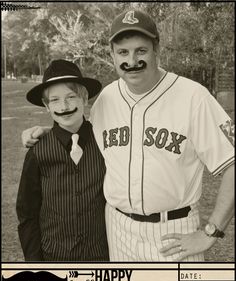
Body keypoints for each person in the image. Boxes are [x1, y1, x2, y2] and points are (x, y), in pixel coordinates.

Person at [22, 10, 234, 262]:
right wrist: (51, 133)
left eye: (140, 50)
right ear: (112, 55)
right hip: (117, 231)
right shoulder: (106, 99)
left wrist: (211, 231)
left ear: (156, 50)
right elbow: (86, 132)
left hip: (172, 234)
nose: (131, 60)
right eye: (123, 52)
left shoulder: (193, 97)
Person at [16, 59, 109, 261]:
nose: (64, 106)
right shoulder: (38, 152)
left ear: (84, 99)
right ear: (46, 106)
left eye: (71, 97)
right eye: (55, 100)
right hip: (54, 257)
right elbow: (27, 215)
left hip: (100, 258)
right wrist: (35, 265)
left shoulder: (105, 142)